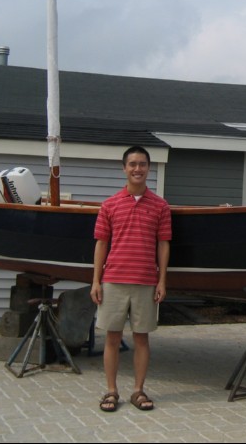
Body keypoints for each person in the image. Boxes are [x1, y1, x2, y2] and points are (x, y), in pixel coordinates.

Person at [90, 145, 171, 412]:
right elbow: (101, 243)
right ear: (124, 168)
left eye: (143, 164)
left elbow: (163, 244)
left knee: (141, 339)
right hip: (113, 280)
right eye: (132, 164)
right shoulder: (109, 205)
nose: (138, 169)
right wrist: (96, 281)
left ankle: (138, 390)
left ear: (148, 168)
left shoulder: (160, 206)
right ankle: (111, 391)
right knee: (112, 338)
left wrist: (162, 281)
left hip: (146, 281)